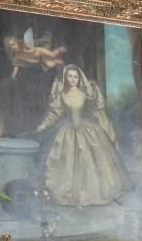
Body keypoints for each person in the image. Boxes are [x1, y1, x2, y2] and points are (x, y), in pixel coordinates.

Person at [35, 62, 128, 207]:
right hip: (68, 133)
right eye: (70, 76)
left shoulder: (86, 93)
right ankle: (71, 194)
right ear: (65, 78)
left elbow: (97, 109)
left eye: (75, 77)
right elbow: (55, 113)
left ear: (79, 78)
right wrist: (44, 125)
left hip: (87, 131)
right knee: (67, 162)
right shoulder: (62, 95)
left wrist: (95, 90)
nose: (73, 79)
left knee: (92, 162)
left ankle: (93, 194)